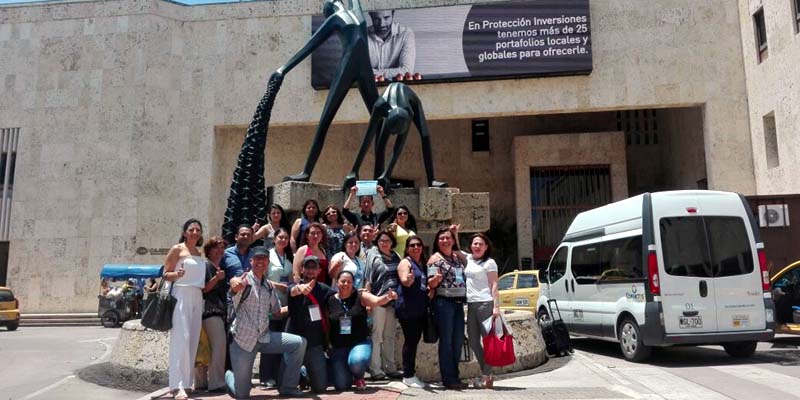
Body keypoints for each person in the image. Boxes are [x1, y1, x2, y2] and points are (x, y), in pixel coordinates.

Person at [224, 246, 305, 399]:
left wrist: (299, 304)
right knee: (242, 394)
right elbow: (234, 288)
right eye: (257, 258)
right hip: (243, 342)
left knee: (299, 343)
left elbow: (276, 312)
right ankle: (228, 375)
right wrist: (233, 284)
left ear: (268, 262)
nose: (260, 262)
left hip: (264, 338)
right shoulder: (244, 281)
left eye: (264, 259)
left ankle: (288, 387)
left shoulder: (268, 286)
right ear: (251, 261)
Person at [328, 270, 397, 391]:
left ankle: (359, 376)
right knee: (341, 385)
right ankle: (347, 374)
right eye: (343, 281)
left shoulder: (360, 296)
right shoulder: (330, 300)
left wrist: (388, 297)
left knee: (357, 362)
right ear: (337, 283)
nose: (346, 284)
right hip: (339, 346)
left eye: (349, 282)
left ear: (353, 283)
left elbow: (376, 301)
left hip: (359, 342)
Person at [163, 218, 207, 400]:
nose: (195, 232)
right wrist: (177, 274)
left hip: (197, 295)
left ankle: (187, 383)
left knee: (192, 340)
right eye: (191, 229)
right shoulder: (177, 249)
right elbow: (165, 274)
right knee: (181, 339)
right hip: (181, 294)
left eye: (198, 230)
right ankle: (177, 385)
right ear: (184, 232)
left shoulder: (199, 252)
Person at [287, 256, 337, 394]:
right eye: (307, 267)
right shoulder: (293, 286)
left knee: (320, 387)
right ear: (302, 270)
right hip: (294, 341)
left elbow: (340, 297)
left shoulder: (324, 289)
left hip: (314, 342)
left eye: (313, 267)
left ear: (319, 270)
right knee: (285, 384)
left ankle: (305, 372)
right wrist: (299, 289)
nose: (310, 270)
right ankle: (301, 372)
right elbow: (292, 291)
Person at [427, 226, 468, 390]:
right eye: (442, 238)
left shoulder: (456, 257)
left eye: (448, 238)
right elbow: (430, 283)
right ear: (437, 241)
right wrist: (435, 280)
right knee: (446, 341)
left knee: (458, 341)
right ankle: (449, 379)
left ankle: (455, 376)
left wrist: (456, 234)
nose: (445, 241)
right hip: (444, 303)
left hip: (459, 303)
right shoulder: (434, 259)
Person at [364, 230, 403, 380]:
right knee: (376, 335)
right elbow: (368, 279)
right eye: (381, 241)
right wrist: (368, 302)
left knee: (389, 335)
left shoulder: (396, 256)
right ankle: (376, 370)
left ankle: (390, 367)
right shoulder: (372, 256)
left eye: (387, 240)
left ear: (392, 242)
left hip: (393, 302)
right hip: (378, 300)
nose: (384, 243)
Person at [463, 232, 500, 389]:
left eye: (480, 244)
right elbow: (457, 250)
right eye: (474, 243)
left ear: (486, 247)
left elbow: (494, 285)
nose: (477, 246)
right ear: (471, 246)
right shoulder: (469, 259)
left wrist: (496, 306)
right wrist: (454, 233)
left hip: (485, 303)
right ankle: (488, 373)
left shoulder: (490, 263)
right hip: (471, 304)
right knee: (473, 341)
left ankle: (485, 376)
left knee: (488, 341)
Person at [259, 228, 293, 388]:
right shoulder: (268, 256)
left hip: (285, 304)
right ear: (274, 239)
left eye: (286, 238)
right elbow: (261, 279)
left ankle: (277, 375)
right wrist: (279, 286)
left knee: (281, 340)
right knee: (269, 338)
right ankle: (265, 376)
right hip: (270, 302)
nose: (283, 240)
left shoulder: (288, 258)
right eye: (280, 237)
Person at [394, 235, 428, 388]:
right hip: (407, 308)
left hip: (419, 307)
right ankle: (408, 375)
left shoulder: (421, 263)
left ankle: (410, 373)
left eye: (418, 245)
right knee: (411, 340)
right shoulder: (405, 262)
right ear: (407, 248)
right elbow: (404, 280)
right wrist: (408, 280)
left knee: (414, 340)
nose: (416, 247)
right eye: (412, 245)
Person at [199, 236, 228, 393]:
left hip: (211, 312)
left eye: (222, 247)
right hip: (210, 311)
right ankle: (216, 382)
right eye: (216, 247)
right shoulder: (207, 266)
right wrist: (217, 279)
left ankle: (201, 382)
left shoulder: (216, 267)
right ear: (208, 251)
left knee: (204, 346)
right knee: (218, 345)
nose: (220, 250)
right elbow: (203, 289)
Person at [367, 10, 416, 79]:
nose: (382, 24)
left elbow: (407, 71)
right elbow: (358, 71)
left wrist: (374, 73)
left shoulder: (405, 34)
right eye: (377, 19)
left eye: (386, 18)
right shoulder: (362, 36)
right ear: (371, 16)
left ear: (393, 14)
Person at [221, 225, 256, 290]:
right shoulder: (225, 254)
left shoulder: (255, 255)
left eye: (249, 235)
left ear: (252, 239)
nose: (246, 237)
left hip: (251, 296)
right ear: (236, 237)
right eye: (243, 234)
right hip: (230, 296)